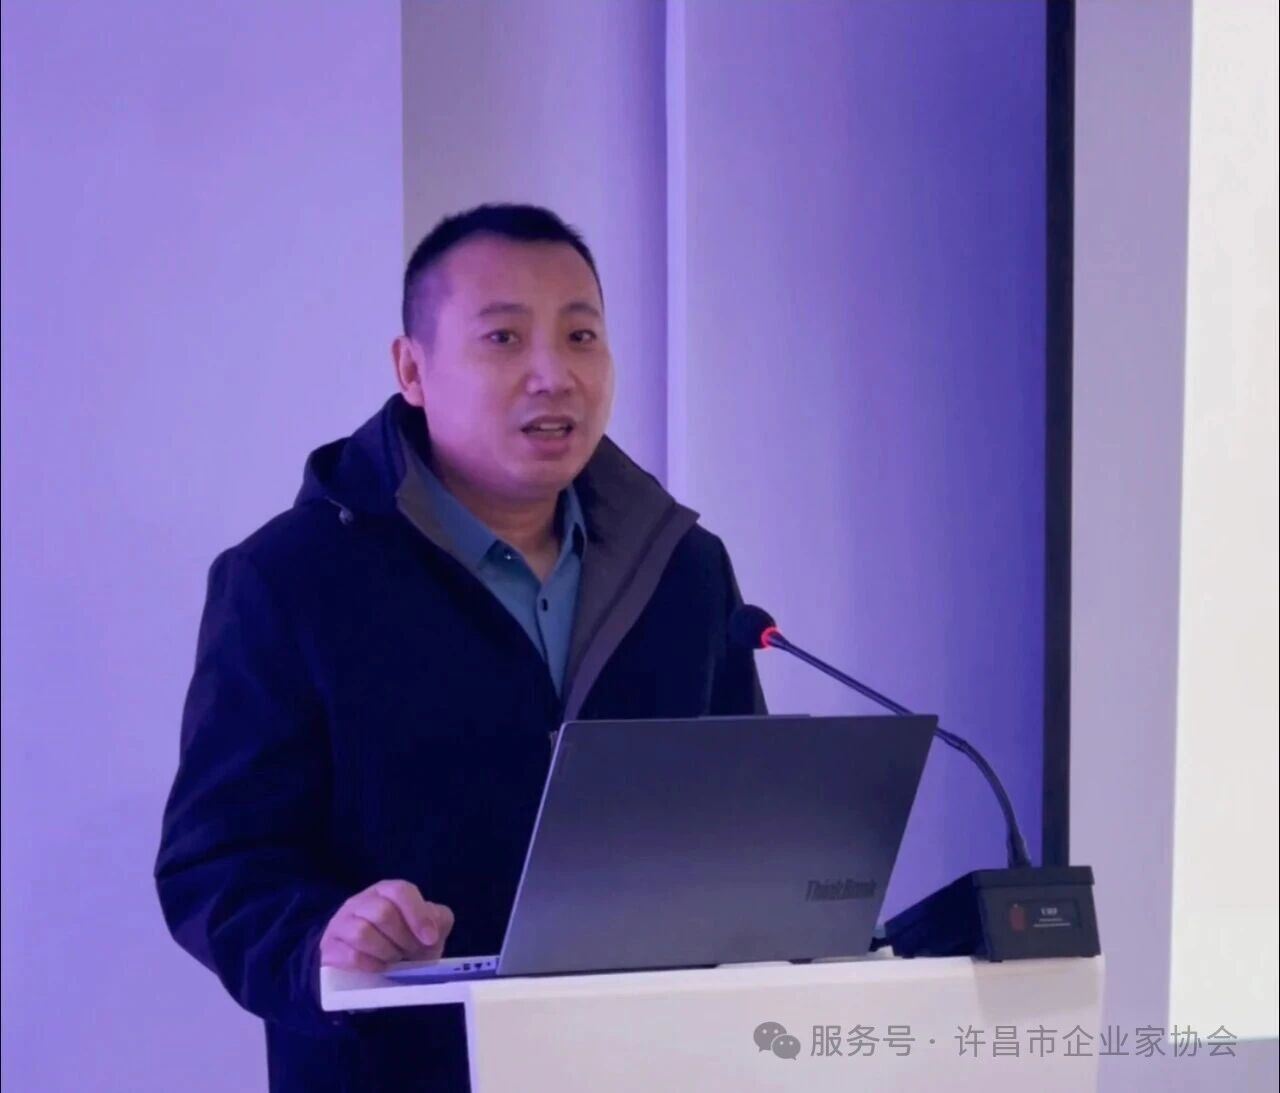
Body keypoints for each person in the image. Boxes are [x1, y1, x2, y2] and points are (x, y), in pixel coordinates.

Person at [155, 203, 765, 1091]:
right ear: (412, 368)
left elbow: (745, 824)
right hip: (402, 1068)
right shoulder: (291, 579)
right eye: (504, 338)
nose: (554, 375)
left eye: (582, 336)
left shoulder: (684, 571)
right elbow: (216, 862)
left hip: (645, 1062)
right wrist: (322, 937)